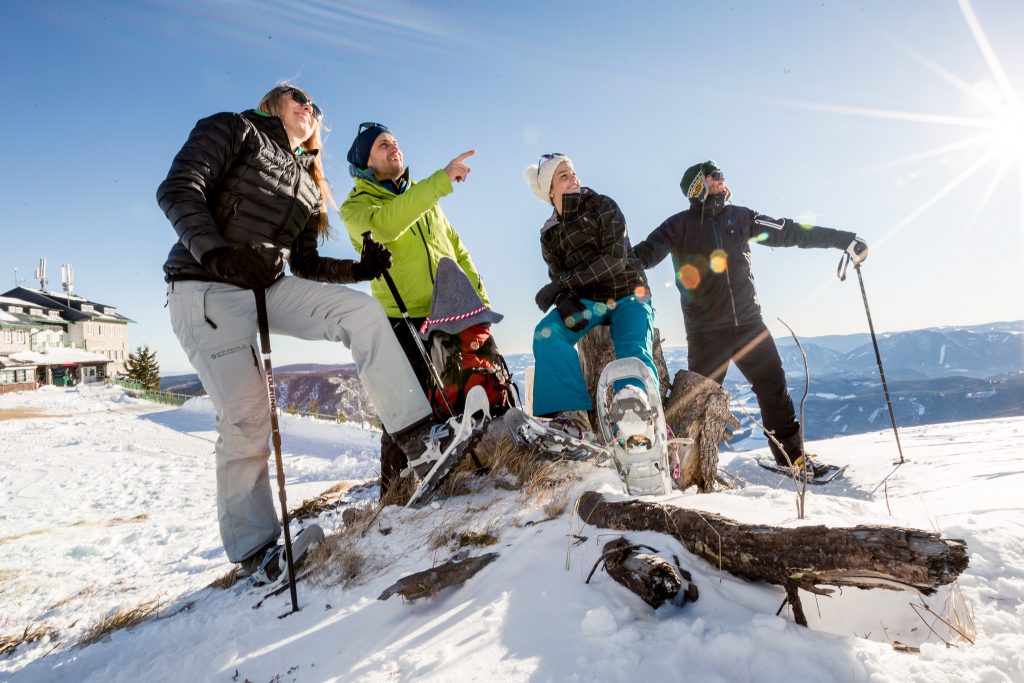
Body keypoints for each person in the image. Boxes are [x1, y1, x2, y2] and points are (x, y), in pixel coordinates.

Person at [157, 84, 456, 582]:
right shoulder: (234, 128)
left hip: (266, 284)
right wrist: (220, 255)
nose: (308, 107)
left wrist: (358, 270)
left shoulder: (307, 180)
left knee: (362, 313)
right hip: (205, 284)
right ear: (272, 103)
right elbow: (178, 190)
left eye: (315, 106)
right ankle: (257, 552)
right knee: (248, 417)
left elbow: (306, 263)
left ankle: (420, 442)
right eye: (298, 96)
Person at [631, 160, 869, 474]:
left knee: (774, 391)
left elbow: (789, 231)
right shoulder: (678, 226)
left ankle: (792, 460)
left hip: (749, 325)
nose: (722, 179)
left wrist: (844, 240)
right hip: (706, 333)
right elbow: (643, 255)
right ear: (698, 186)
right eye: (714, 175)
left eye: (720, 173)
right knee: (696, 404)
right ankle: (677, 469)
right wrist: (606, 273)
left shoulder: (741, 217)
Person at [340, 122, 489, 497]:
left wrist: (479, 297)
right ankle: (395, 494)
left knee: (458, 393)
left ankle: (463, 468)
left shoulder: (422, 196)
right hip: (400, 317)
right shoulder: (357, 206)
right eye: (382, 145)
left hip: (448, 311)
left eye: (395, 141)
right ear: (366, 162)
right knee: (405, 411)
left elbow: (456, 249)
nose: (394, 147)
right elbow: (385, 226)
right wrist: (439, 181)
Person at [523, 153, 656, 437]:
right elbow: (558, 276)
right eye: (563, 175)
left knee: (632, 348)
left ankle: (636, 415)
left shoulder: (602, 205)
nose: (573, 178)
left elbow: (614, 260)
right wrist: (563, 300)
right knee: (546, 334)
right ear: (550, 190)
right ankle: (572, 418)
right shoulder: (549, 234)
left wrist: (563, 285)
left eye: (573, 172)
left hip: (629, 291)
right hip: (591, 302)